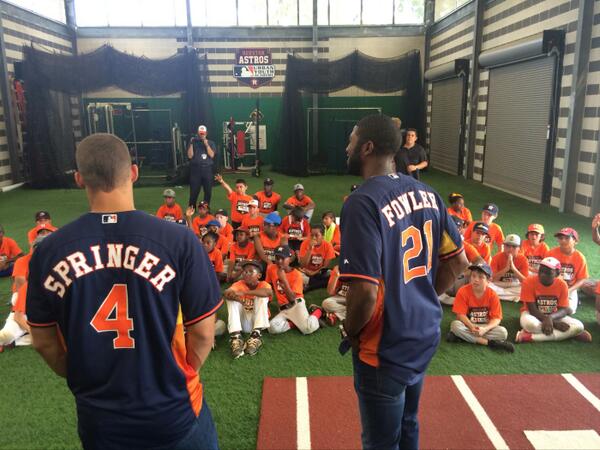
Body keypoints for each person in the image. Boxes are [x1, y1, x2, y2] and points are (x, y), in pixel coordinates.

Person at [26, 133, 221, 449]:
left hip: (100, 420)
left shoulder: (49, 252)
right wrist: (181, 372)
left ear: (79, 179)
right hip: (174, 413)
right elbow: (203, 335)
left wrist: (82, 377)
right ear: (133, 172)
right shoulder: (179, 240)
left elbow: (43, 343)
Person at [340, 114, 469, 450]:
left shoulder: (362, 202)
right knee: (409, 422)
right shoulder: (428, 192)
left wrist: (351, 330)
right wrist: (421, 296)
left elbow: (365, 292)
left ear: (367, 148)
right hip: (424, 332)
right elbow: (459, 262)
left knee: (381, 443)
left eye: (352, 140)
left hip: (386, 344)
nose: (347, 147)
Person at [516, 257, 591, 343]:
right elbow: (532, 310)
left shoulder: (562, 284)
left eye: (548, 272)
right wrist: (553, 323)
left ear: (557, 273)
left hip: (554, 315)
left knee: (579, 326)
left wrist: (550, 318)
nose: (543, 274)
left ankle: (530, 337)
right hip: (531, 314)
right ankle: (570, 334)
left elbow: (564, 309)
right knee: (531, 325)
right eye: (541, 271)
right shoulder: (529, 281)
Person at [447, 263, 514, 352]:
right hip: (467, 325)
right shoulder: (462, 291)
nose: (476, 280)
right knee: (455, 325)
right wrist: (471, 327)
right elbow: (460, 315)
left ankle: (462, 337)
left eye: (481, 277)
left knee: (503, 332)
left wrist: (485, 329)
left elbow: (496, 318)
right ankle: (489, 343)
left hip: (484, 327)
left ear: (489, 280)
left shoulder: (492, 295)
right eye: (473, 276)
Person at [0, 235, 50, 350]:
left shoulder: (58, 263)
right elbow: (18, 315)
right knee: (7, 335)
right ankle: (16, 337)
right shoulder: (24, 263)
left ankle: (18, 339)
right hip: (25, 300)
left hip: (45, 305)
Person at [266, 246, 323, 335]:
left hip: (296, 304)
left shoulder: (297, 275)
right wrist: (266, 303)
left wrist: (284, 280)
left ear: (290, 259)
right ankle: (294, 324)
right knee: (272, 328)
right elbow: (268, 286)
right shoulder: (271, 269)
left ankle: (317, 311)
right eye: (277, 258)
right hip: (283, 308)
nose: (279, 261)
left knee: (308, 328)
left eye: (282, 258)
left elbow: (292, 299)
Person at [223, 260, 271, 358]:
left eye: (250, 271)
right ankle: (236, 337)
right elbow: (227, 292)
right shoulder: (240, 283)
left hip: (258, 321)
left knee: (261, 297)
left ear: (259, 275)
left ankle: (256, 336)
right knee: (231, 299)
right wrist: (238, 299)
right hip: (244, 322)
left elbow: (268, 293)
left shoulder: (264, 284)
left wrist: (245, 293)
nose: (247, 274)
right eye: (245, 271)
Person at [547, 227, 588, 313]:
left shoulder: (580, 258)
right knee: (545, 306)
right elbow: (543, 272)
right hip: (551, 285)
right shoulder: (551, 253)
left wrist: (569, 290)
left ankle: (574, 299)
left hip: (569, 288)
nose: (563, 241)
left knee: (570, 310)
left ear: (575, 241)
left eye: (567, 238)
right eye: (561, 238)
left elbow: (582, 279)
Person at [489, 234, 529, 301]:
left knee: (528, 288)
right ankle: (512, 297)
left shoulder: (523, 259)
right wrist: (506, 269)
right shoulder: (496, 257)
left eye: (514, 247)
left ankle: (498, 295)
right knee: (486, 285)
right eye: (507, 246)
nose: (510, 249)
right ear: (504, 246)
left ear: (519, 248)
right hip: (499, 283)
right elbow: (492, 279)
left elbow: (525, 282)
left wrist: (513, 269)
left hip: (514, 284)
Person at [298, 224, 335, 292]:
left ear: (323, 236)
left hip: (320, 272)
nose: (314, 238)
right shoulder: (305, 243)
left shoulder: (328, 246)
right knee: (298, 276)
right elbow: (302, 265)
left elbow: (325, 266)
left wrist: (314, 273)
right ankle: (321, 283)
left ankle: (311, 286)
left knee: (333, 273)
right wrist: (310, 250)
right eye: (312, 235)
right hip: (306, 271)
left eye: (317, 235)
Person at [188, 124, 217, 207]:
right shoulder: (193, 142)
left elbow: (211, 155)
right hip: (195, 170)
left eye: (203, 133)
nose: (202, 135)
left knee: (208, 191)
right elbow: (190, 156)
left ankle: (205, 208)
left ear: (206, 133)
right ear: (198, 133)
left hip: (207, 169)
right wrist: (191, 144)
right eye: (200, 133)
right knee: (194, 191)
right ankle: (191, 208)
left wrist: (206, 144)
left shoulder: (211, 143)